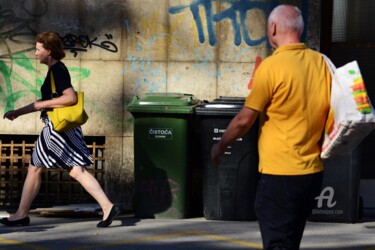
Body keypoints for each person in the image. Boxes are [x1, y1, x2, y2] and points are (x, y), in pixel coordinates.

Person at [211, 5, 331, 250]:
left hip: (280, 176)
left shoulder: (271, 67)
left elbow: (245, 119)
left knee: (278, 243)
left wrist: (221, 145)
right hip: (311, 175)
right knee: (290, 241)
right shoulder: (321, 64)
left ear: (274, 27)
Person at [1, 32, 120, 228]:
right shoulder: (54, 70)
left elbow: (70, 98)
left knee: (35, 167)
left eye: (38, 49)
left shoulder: (57, 70)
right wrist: (18, 112)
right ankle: (108, 207)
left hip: (56, 129)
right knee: (76, 171)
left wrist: (42, 105)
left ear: (48, 51)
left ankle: (21, 215)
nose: (35, 53)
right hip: (63, 129)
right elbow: (41, 103)